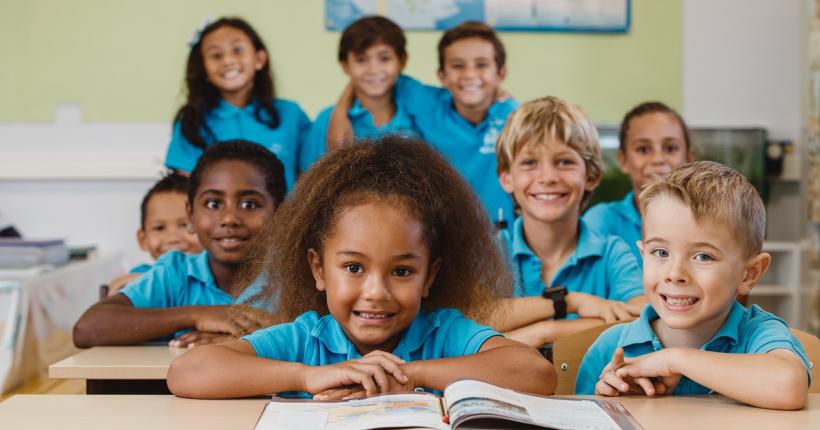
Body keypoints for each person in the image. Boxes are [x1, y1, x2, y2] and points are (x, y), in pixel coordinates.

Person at [166, 136, 557, 399]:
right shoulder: (306, 340)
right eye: (353, 267)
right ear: (318, 270)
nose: (376, 292)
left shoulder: (444, 333)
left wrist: (411, 374)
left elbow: (534, 373)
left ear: (430, 276)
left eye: (401, 272)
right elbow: (187, 372)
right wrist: (305, 376)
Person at [576, 161, 810, 411]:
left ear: (749, 274)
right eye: (660, 252)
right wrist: (608, 400)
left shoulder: (758, 333)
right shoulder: (613, 346)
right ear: (642, 255)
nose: (675, 274)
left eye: (703, 257)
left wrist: (675, 359)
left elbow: (788, 387)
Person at [74, 141, 284, 348]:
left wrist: (246, 341)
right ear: (191, 215)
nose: (229, 218)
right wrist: (198, 315)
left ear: (281, 214)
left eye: (249, 204)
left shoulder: (293, 275)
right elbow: (87, 329)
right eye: (214, 204)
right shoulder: (175, 272)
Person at [491, 97, 645, 348]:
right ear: (507, 178)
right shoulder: (490, 252)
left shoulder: (611, 254)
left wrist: (545, 331)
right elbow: (468, 320)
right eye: (530, 163)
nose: (548, 177)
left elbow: (641, 319)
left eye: (564, 162)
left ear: (592, 175)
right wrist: (568, 302)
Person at [396, 21, 518, 229]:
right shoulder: (428, 105)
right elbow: (375, 77)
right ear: (442, 75)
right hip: (445, 237)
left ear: (500, 74)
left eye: (481, 65)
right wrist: (344, 101)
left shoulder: (516, 118)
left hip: (502, 240)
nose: (469, 74)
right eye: (458, 65)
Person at [165, 17, 311, 189]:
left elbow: (311, 177)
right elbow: (186, 190)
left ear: (260, 59)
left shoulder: (290, 114)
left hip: (285, 216)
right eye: (216, 55)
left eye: (237, 50)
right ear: (203, 68)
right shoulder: (192, 121)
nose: (227, 61)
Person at [583, 102, 693, 266]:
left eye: (670, 148)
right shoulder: (600, 221)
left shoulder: (708, 220)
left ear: (689, 158)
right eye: (643, 149)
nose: (658, 159)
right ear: (623, 160)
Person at [307, 16, 417, 159]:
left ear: (402, 61)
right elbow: (308, 177)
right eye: (361, 60)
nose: (373, 70)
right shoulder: (327, 120)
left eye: (384, 58)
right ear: (345, 65)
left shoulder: (419, 117)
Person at [105, 173, 202, 296]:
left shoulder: (220, 277)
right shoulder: (138, 277)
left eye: (184, 225)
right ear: (143, 239)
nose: (172, 238)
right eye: (159, 228)